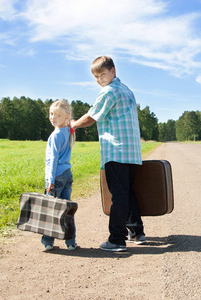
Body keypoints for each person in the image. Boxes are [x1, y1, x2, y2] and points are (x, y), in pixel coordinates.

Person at [71, 56, 145, 252]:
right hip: (131, 151)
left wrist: (73, 125)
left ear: (113, 71)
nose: (99, 79)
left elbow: (92, 116)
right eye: (96, 76)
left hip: (116, 150)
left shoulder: (109, 92)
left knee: (118, 196)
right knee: (128, 192)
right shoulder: (126, 90)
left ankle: (116, 239)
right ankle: (137, 232)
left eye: (102, 74)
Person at [42, 100, 78, 251]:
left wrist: (50, 180)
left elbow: (53, 160)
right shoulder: (68, 131)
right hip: (66, 174)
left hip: (56, 177)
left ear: (66, 116)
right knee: (66, 210)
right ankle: (70, 242)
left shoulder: (56, 135)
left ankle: (48, 242)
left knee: (51, 210)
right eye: (51, 114)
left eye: (58, 115)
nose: (53, 117)